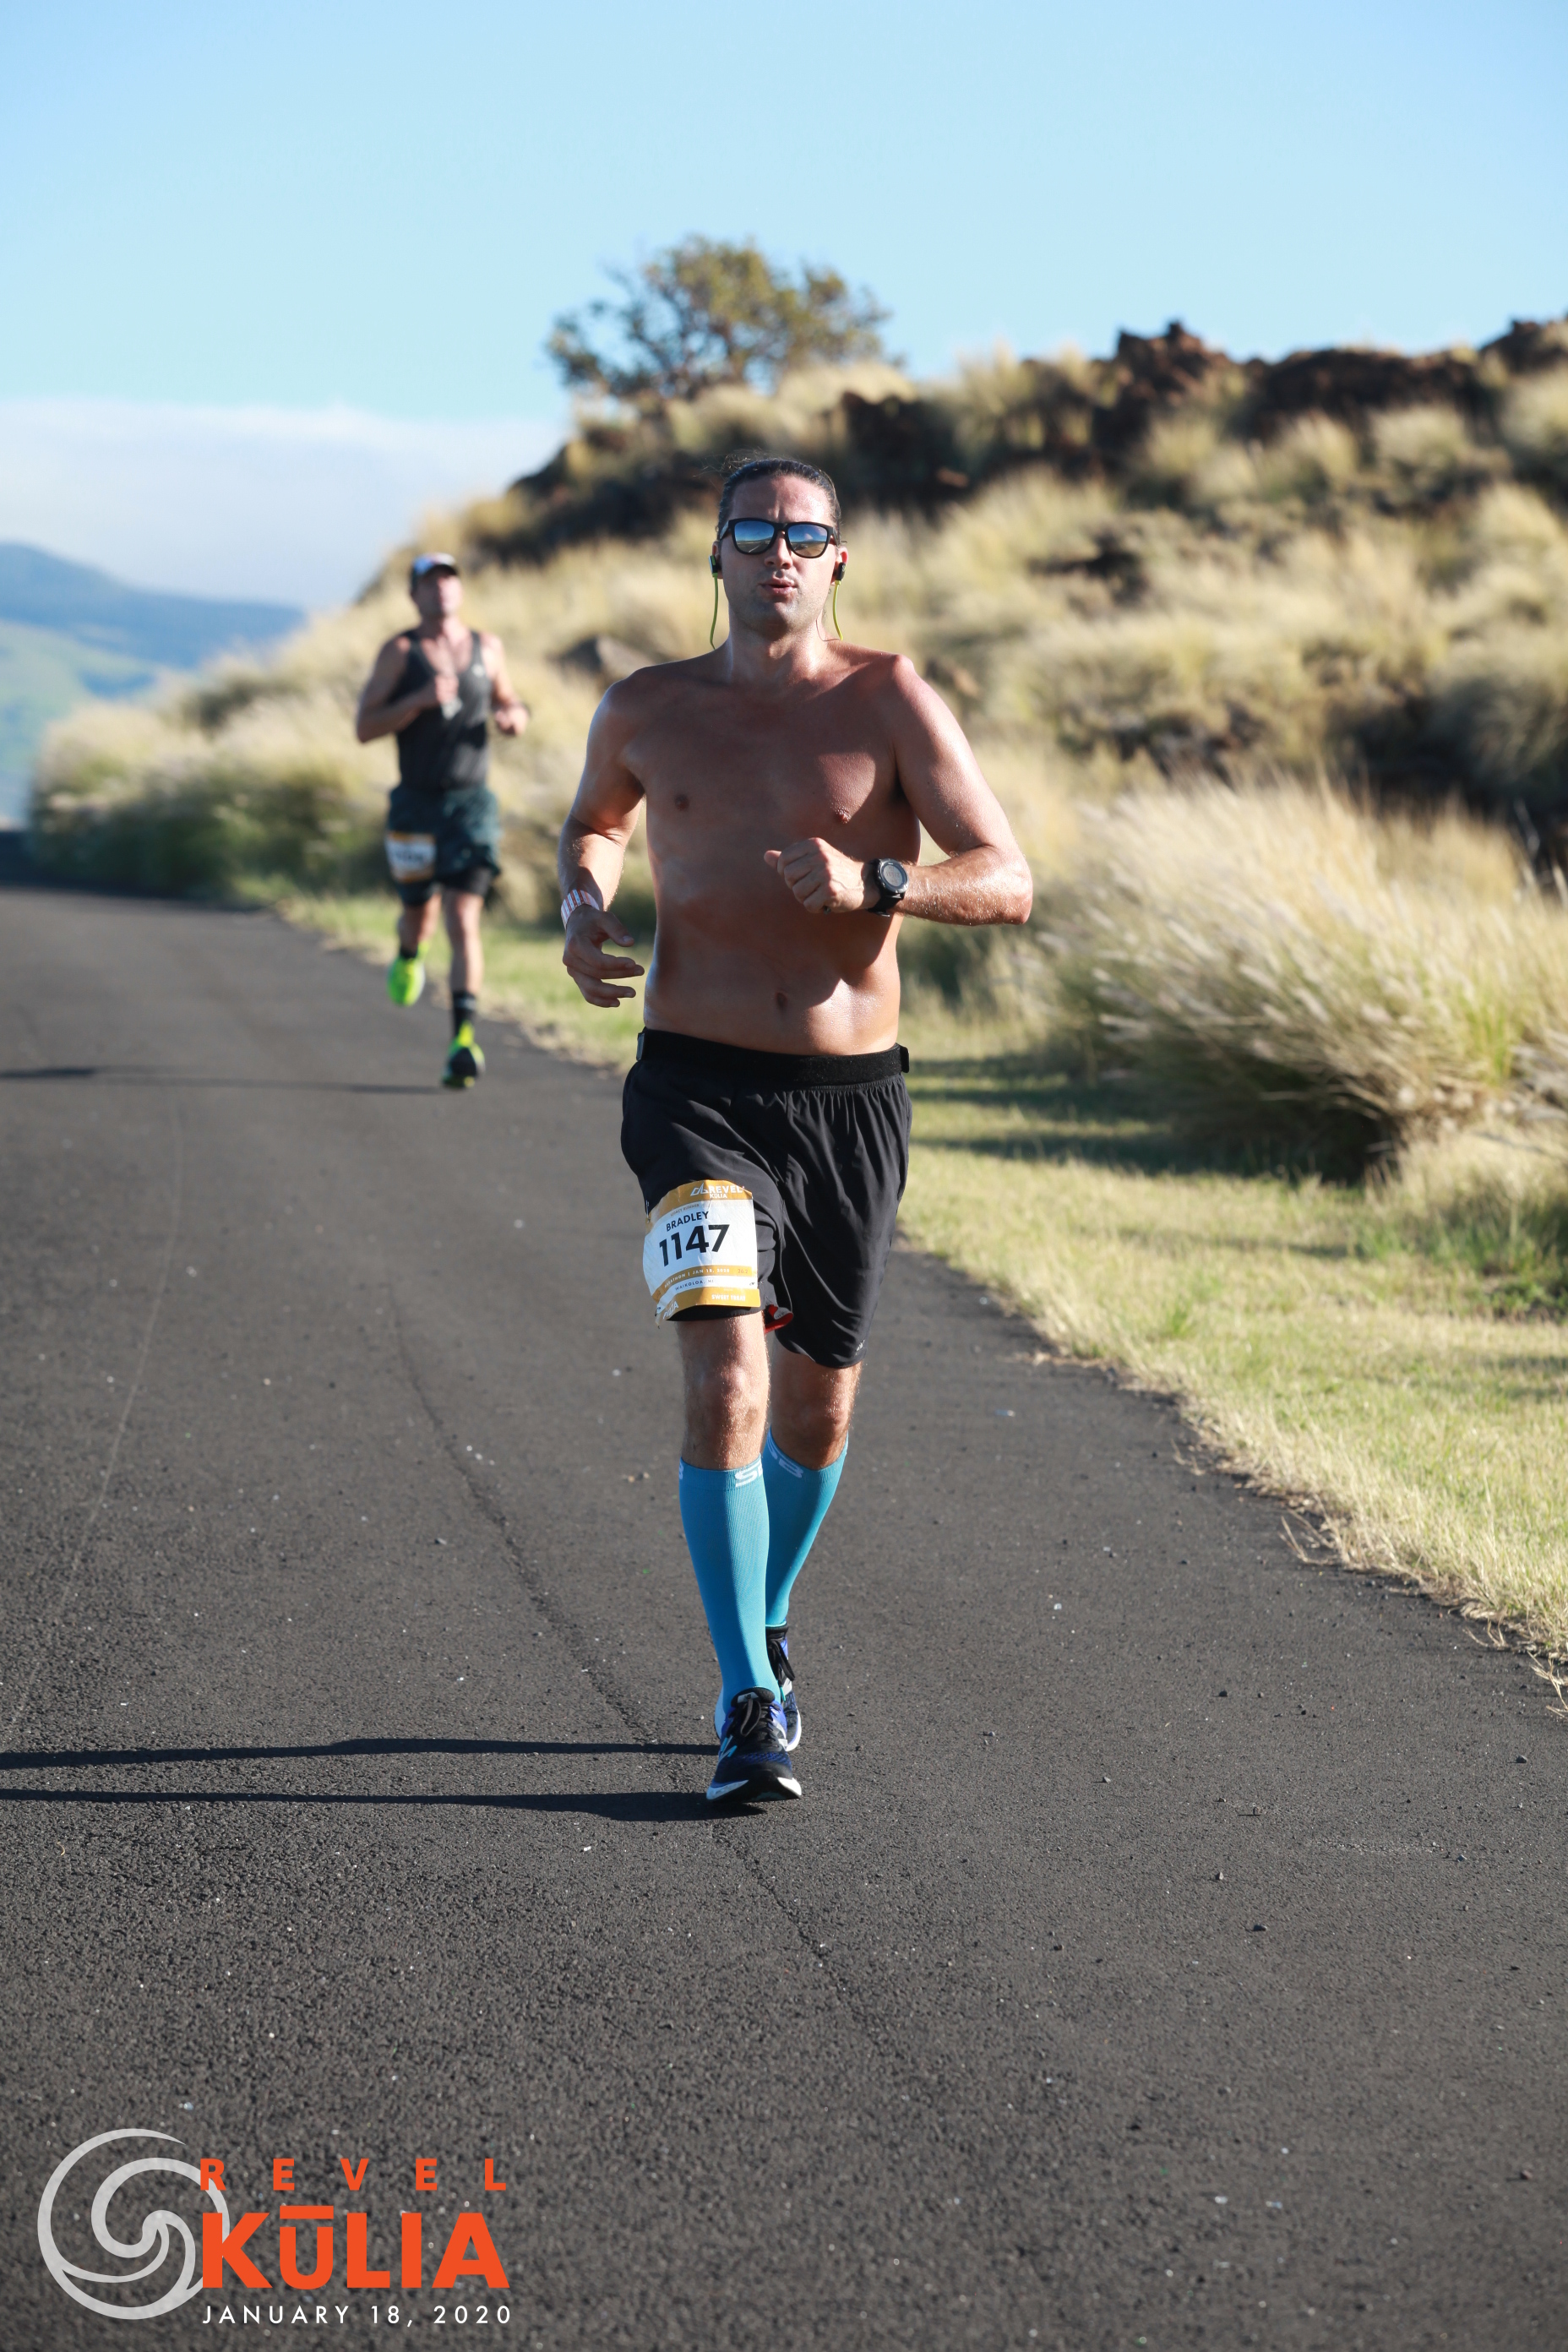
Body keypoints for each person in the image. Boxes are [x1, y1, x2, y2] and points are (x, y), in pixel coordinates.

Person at [558, 455, 1032, 1804]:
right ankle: (746, 1698)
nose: (778, 552)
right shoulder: (647, 707)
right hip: (692, 1090)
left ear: (837, 560)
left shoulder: (890, 699)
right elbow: (594, 823)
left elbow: (1007, 879)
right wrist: (584, 908)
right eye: (754, 530)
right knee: (727, 1377)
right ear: (717, 552)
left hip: (846, 1101)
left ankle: (765, 1614)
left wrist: (879, 880)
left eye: (803, 535)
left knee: (817, 1413)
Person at [355, 553, 529, 1087]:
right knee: (419, 915)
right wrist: (418, 700)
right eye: (430, 582)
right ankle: (410, 952)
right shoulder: (400, 652)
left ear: (459, 589)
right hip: (415, 804)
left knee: (463, 918)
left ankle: (462, 1041)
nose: (441, 589)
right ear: (414, 595)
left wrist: (513, 716)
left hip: (472, 806)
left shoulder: (487, 647)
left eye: (449, 579)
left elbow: (509, 700)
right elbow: (365, 726)